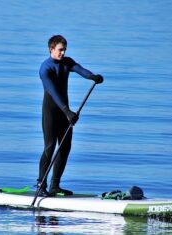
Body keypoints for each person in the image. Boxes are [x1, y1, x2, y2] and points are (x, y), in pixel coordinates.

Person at [37, 35, 104, 196]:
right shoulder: (45, 69)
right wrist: (67, 111)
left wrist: (93, 77)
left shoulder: (67, 62)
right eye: (60, 50)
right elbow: (52, 92)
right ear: (51, 49)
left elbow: (80, 69)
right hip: (51, 111)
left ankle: (55, 186)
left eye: (64, 50)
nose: (63, 53)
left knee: (65, 146)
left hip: (65, 111)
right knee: (50, 146)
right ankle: (41, 185)